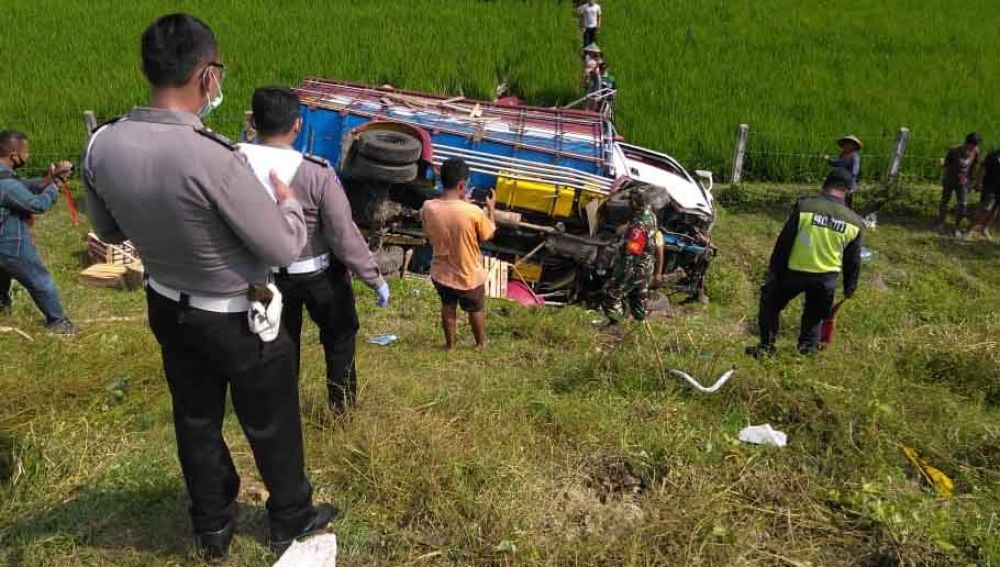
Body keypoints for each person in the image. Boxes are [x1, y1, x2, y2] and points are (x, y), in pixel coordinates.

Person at [82, 14, 333, 561]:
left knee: (195, 416)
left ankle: (212, 524)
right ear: (207, 76)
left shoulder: (102, 144)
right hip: (236, 316)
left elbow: (109, 231)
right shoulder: (214, 158)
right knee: (271, 422)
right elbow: (282, 248)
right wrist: (288, 200)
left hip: (167, 302)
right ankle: (290, 517)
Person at [241, 86, 390, 413]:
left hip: (259, 276)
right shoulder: (315, 171)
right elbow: (342, 234)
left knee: (278, 342)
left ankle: (282, 408)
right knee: (339, 337)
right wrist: (374, 278)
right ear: (297, 124)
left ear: (253, 120)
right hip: (317, 275)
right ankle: (342, 409)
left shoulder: (232, 163)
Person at [747, 168, 864, 357]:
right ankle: (806, 353)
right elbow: (853, 260)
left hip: (793, 272)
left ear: (824, 186)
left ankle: (766, 348)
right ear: (849, 191)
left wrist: (773, 271)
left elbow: (784, 242)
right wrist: (850, 287)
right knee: (814, 317)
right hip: (826, 278)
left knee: (770, 302)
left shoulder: (804, 207)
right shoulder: (855, 222)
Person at [0, 129, 78, 333]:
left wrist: (49, 178)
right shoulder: (5, 184)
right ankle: (58, 323)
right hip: (11, 244)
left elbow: (22, 186)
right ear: (14, 154)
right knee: (40, 280)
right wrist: (56, 185)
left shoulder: (4, 175)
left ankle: (2, 310)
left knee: (2, 277)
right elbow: (36, 205)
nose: (29, 155)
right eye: (26, 151)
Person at [420, 158, 496, 350]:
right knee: (475, 309)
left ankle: (450, 345)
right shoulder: (474, 212)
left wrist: (461, 202)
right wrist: (491, 210)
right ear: (462, 185)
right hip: (467, 275)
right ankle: (481, 344)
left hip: (441, 273)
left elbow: (429, 232)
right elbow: (488, 234)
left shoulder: (428, 207)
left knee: (448, 306)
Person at [603, 189, 662, 324]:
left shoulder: (638, 225)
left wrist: (622, 275)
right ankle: (641, 325)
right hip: (647, 267)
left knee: (612, 294)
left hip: (635, 267)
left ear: (635, 203)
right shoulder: (651, 216)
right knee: (639, 297)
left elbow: (632, 252)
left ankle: (615, 324)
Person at [935, 132, 981, 236]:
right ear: (966, 143)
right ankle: (941, 223)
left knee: (962, 204)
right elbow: (946, 163)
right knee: (945, 201)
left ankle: (957, 227)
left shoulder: (976, 152)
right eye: (971, 145)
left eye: (975, 145)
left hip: (963, 182)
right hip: (950, 179)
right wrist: (942, 163)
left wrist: (970, 181)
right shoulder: (954, 150)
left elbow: (974, 166)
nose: (972, 148)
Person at [966, 148, 1000, 240]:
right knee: (985, 208)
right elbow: (982, 169)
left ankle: (985, 229)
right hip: (990, 186)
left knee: (994, 210)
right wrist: (978, 182)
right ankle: (970, 229)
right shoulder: (992, 156)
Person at [825, 135, 862, 208]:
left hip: (848, 182)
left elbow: (855, 171)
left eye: (849, 144)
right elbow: (837, 163)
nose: (846, 145)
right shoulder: (843, 154)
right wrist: (828, 159)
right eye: (845, 143)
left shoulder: (854, 156)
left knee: (846, 202)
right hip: (839, 181)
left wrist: (848, 180)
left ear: (854, 146)